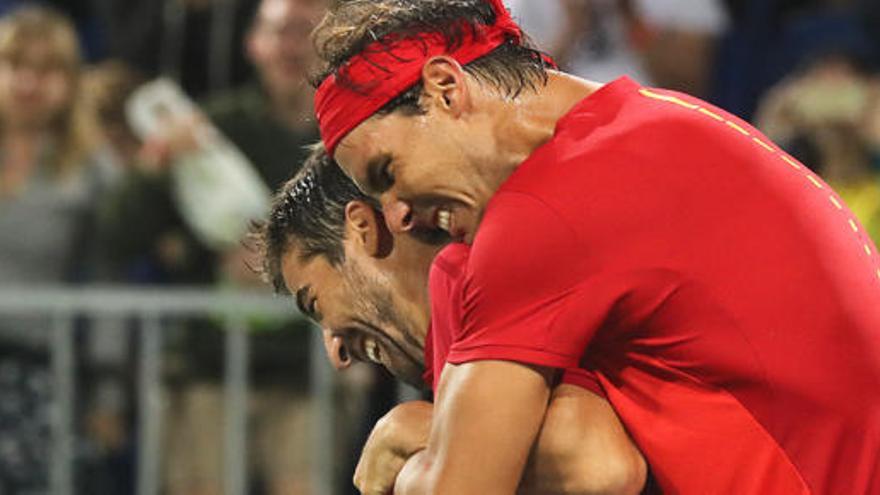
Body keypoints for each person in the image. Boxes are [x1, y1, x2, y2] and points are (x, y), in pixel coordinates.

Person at [307, 0, 880, 493]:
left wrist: (403, 435)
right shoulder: (661, 119)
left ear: (446, 88)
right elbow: (594, 461)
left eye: (387, 172)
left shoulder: (545, 212)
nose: (400, 215)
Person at [258, 146, 648, 494]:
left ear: (362, 229)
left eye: (315, 303)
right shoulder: (462, 314)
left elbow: (598, 468)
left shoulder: (480, 268)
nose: (336, 352)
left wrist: (414, 431)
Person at [0, 5, 111, 493]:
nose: (28, 81)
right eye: (16, 64)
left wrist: (109, 396)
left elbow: (113, 283)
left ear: (70, 81)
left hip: (40, 371)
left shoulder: (94, 168)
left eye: (47, 69)